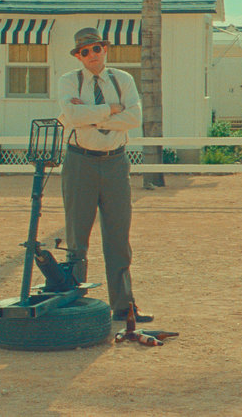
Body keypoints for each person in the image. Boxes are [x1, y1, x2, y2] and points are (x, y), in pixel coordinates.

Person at [57, 26, 149, 322]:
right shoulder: (69, 81)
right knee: (77, 239)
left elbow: (134, 117)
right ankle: (75, 308)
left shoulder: (123, 80)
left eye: (96, 48)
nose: (92, 55)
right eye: (85, 51)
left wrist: (92, 116)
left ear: (105, 49)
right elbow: (71, 117)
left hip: (115, 163)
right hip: (80, 162)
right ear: (78, 56)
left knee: (118, 237)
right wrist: (111, 109)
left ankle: (124, 306)